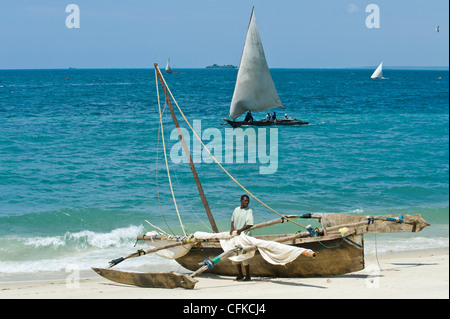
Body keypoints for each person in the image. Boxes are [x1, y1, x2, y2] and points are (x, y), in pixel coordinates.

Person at [229, 194, 254, 281]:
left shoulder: (249, 211)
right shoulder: (236, 209)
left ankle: (248, 276)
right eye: (245, 201)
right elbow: (232, 220)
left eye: (248, 201)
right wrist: (232, 229)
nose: (247, 203)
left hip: (245, 236)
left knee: (244, 256)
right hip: (236, 236)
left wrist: (240, 230)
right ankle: (240, 275)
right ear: (241, 201)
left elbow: (250, 224)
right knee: (236, 254)